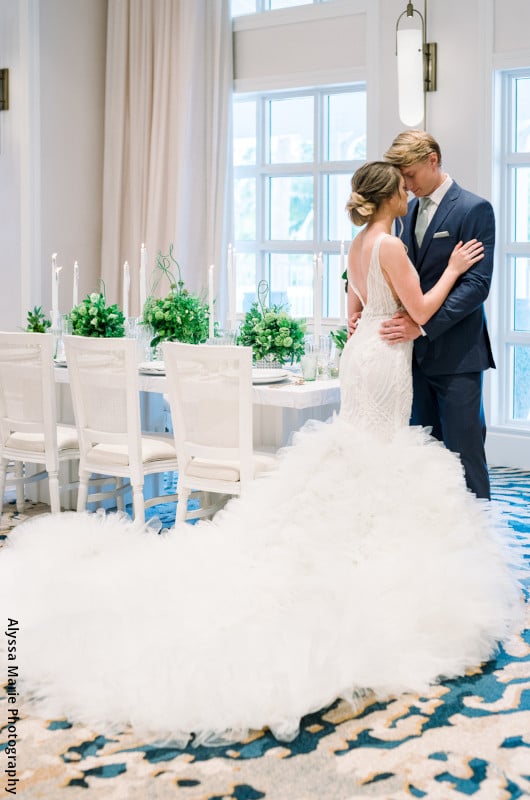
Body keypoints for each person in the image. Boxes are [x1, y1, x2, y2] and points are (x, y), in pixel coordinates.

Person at [0, 163, 521, 748]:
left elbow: (357, 303)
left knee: (362, 451)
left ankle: (348, 538)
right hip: (382, 361)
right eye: (401, 189)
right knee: (378, 452)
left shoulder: (358, 243)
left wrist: (367, 311)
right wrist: (452, 269)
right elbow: (420, 312)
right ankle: (357, 547)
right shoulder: (393, 245)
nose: (408, 193)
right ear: (389, 197)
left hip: (365, 357)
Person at [381, 130, 496, 500]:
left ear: (432, 159)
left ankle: (481, 544)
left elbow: (476, 286)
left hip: (458, 356)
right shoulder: (406, 210)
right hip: (412, 359)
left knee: (464, 454)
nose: (406, 184)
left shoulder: (474, 209)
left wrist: (423, 326)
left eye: (410, 175)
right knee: (422, 455)